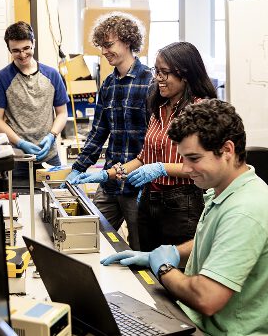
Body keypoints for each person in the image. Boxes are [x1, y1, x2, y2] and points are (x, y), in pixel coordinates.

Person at [101, 99, 268, 336]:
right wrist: (167, 254)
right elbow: (216, 241)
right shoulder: (226, 191)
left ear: (228, 150)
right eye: (183, 159)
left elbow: (207, 298)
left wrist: (164, 269)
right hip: (198, 320)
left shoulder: (245, 210)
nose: (186, 169)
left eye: (194, 159)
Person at [71, 41, 217, 251]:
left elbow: (206, 165)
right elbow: (143, 159)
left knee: (175, 268)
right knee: (146, 264)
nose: (158, 79)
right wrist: (108, 174)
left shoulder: (200, 110)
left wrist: (162, 168)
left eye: (164, 73)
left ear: (185, 74)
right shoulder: (159, 107)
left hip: (182, 203)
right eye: (157, 71)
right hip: (150, 201)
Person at [63, 12, 152, 250]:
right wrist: (78, 168)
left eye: (109, 44)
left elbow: (155, 141)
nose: (104, 51)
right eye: (102, 45)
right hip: (110, 183)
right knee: (91, 239)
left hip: (138, 184)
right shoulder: (108, 85)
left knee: (139, 249)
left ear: (128, 41)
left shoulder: (150, 82)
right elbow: (98, 132)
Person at [0, 21, 68, 178]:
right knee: (20, 200)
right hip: (19, 159)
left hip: (50, 157)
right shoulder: (1, 79)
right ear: (9, 50)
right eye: (16, 51)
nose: (23, 55)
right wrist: (20, 142)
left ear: (33, 43)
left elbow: (62, 113)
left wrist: (52, 135)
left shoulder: (52, 75)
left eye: (26, 48)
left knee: (54, 201)